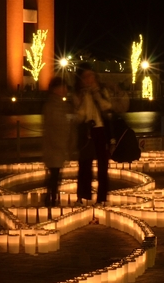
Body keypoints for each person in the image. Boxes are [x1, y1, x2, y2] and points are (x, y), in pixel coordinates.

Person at [74, 65, 115, 205]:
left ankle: (101, 198)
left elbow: (107, 107)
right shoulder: (80, 93)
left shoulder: (101, 91)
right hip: (87, 130)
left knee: (103, 165)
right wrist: (82, 102)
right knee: (84, 164)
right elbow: (79, 116)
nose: (89, 79)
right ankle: (82, 195)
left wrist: (96, 95)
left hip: (101, 129)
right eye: (85, 76)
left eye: (91, 75)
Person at [41, 76, 71, 207]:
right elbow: (54, 127)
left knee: (55, 175)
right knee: (55, 175)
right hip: (55, 147)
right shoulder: (54, 106)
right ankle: (51, 199)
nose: (65, 89)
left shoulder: (57, 104)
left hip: (56, 147)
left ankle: (51, 197)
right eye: (63, 87)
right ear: (56, 89)